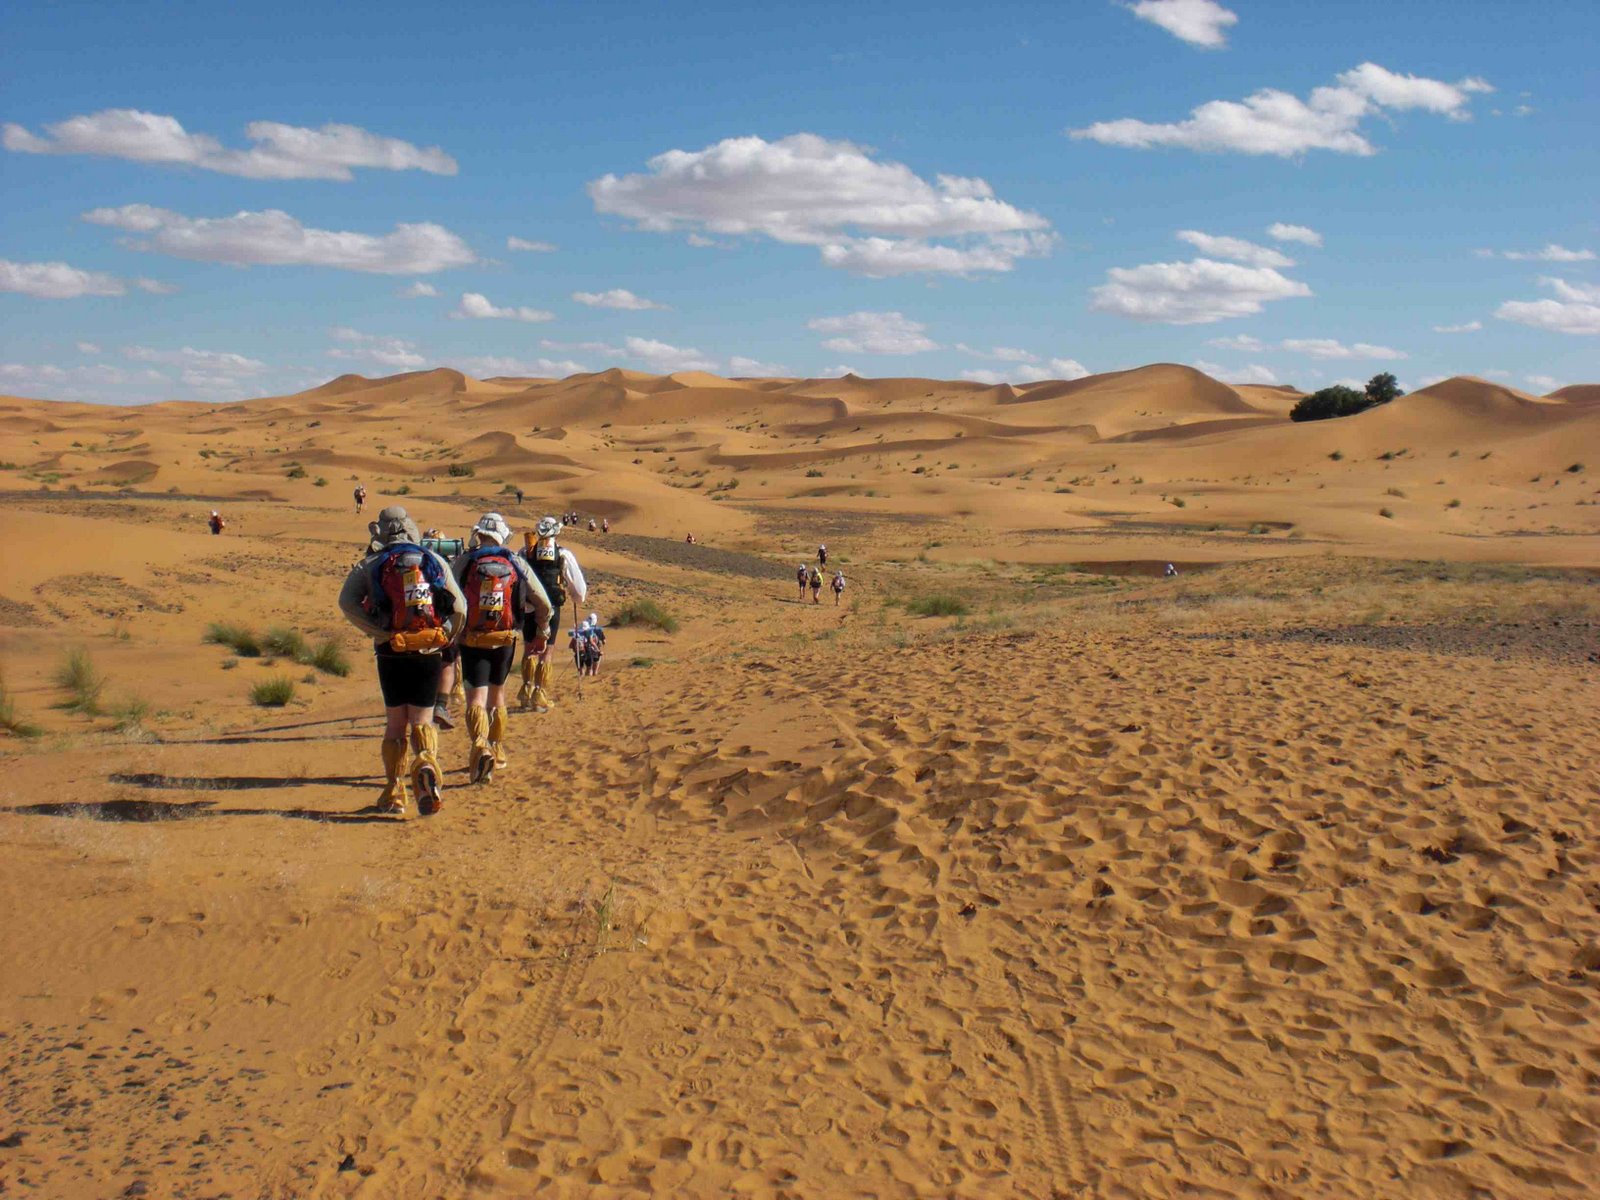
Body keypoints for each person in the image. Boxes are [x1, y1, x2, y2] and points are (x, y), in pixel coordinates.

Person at [338, 506, 465, 816]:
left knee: (396, 724)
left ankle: (395, 791)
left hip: (390, 653)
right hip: (428, 653)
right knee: (422, 719)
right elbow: (459, 605)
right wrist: (444, 634)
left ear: (381, 532)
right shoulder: (432, 560)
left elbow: (347, 602)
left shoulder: (370, 563)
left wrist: (380, 631)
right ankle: (425, 767)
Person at [454, 513, 551, 783]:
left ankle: (480, 747)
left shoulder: (465, 561)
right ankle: (497, 749)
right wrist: (542, 629)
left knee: (475, 698)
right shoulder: (514, 561)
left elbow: (447, 594)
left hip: (472, 639)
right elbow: (542, 601)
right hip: (505, 638)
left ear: (479, 534)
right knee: (497, 697)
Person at [517, 516, 587, 712]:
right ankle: (540, 695)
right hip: (552, 609)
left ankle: (526, 692)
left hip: (529, 608)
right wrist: (575, 597)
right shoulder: (563, 554)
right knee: (546, 652)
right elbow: (579, 589)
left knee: (529, 648)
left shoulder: (524, 552)